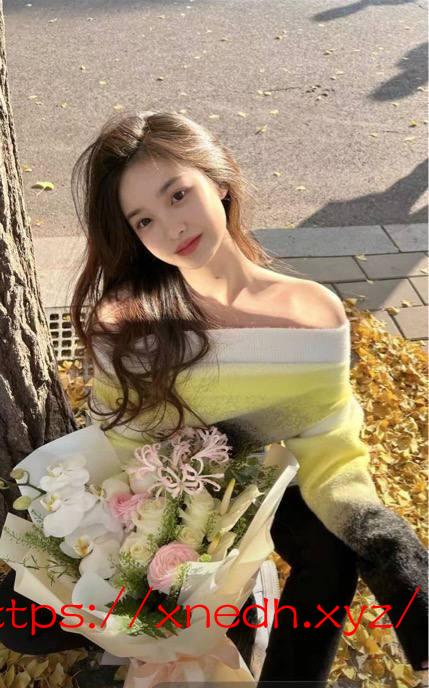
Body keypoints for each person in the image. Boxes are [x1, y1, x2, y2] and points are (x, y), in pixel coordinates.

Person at [0, 110, 427, 687]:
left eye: (178, 194)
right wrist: (154, 556)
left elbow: (330, 451)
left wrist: (395, 556)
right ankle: (216, 610)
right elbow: (120, 448)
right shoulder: (127, 321)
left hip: (264, 487)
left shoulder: (308, 313)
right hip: (159, 496)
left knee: (331, 556)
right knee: (21, 622)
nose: (171, 228)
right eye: (144, 220)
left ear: (219, 179)